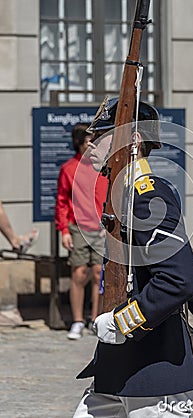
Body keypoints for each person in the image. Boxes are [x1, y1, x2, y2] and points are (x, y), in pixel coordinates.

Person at [73, 100, 193, 417]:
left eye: (102, 135)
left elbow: (180, 278)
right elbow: (187, 273)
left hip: (154, 374)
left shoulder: (147, 196)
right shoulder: (123, 194)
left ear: (131, 141)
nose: (89, 143)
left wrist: (122, 322)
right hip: (115, 371)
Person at [55, 123, 108, 340]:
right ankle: (77, 321)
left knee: (98, 274)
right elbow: (61, 202)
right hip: (78, 228)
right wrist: (63, 230)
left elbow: (112, 196)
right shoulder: (68, 168)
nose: (92, 146)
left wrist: (109, 224)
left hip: (101, 228)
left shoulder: (103, 167)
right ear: (79, 143)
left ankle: (96, 319)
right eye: (88, 142)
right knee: (78, 274)